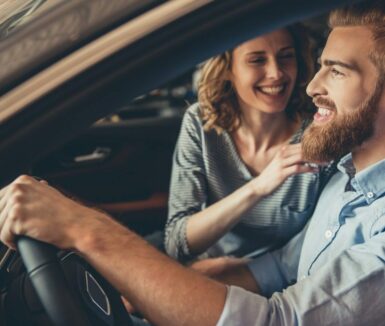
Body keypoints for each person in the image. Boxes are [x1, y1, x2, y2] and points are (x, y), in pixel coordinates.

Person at [0, 1, 385, 325]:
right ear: (229, 70)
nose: (309, 85)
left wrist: (83, 229)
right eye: (319, 66)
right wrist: (160, 283)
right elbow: (282, 265)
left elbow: (278, 319)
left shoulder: (320, 152)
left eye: (336, 70)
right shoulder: (344, 176)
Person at [165, 24, 323, 263]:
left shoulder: (319, 133)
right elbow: (177, 243)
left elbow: (320, 244)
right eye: (257, 60)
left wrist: (243, 272)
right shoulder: (202, 123)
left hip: (275, 283)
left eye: (286, 57)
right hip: (205, 266)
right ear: (228, 69)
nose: (276, 73)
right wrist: (258, 187)